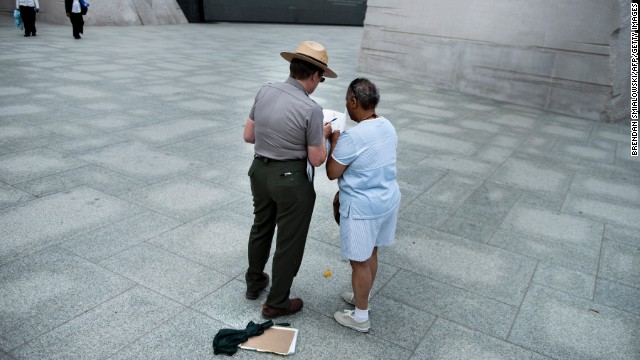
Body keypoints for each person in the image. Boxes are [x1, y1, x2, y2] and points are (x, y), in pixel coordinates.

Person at [243, 41, 337, 319]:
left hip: (259, 171)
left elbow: (249, 136)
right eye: (321, 79)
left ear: (292, 67)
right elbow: (317, 159)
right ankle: (277, 302)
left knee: (261, 227)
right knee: (289, 242)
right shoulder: (312, 109)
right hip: (291, 180)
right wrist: (323, 133)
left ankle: (254, 282)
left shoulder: (265, 90)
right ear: (313, 76)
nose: (319, 83)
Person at [326, 78, 401, 332]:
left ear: (355, 101)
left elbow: (332, 172)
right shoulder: (388, 125)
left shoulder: (354, 136)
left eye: (347, 100)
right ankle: (363, 299)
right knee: (372, 253)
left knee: (358, 261)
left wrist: (335, 139)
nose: (345, 105)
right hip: (387, 200)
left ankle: (360, 318)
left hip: (363, 208)